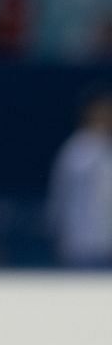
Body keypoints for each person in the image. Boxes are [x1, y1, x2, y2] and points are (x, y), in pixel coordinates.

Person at [47, 88, 112, 268]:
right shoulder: (76, 149)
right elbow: (60, 195)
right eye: (102, 112)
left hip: (106, 244)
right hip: (80, 245)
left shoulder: (107, 149)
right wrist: (60, 233)